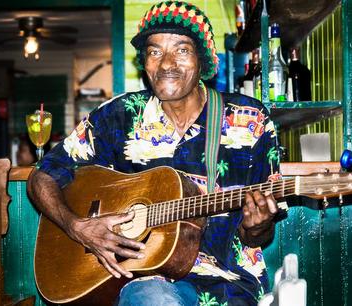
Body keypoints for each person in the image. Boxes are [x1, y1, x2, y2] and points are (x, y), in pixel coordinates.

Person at [28, 1, 280, 305]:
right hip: (144, 282)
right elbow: (41, 177)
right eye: (154, 51)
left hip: (227, 283)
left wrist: (259, 225)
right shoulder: (118, 116)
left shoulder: (250, 121)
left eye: (182, 50)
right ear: (144, 62)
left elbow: (257, 237)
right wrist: (76, 226)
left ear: (203, 61)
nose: (166, 64)